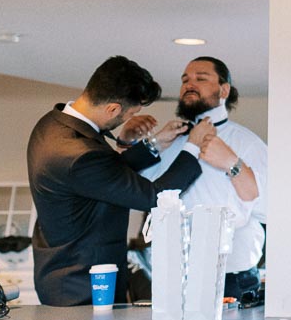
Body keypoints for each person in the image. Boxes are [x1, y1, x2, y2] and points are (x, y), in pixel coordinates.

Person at [26, 55, 236, 306]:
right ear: (113, 108)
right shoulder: (77, 154)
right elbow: (155, 196)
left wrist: (154, 144)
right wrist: (192, 146)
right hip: (80, 283)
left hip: (65, 269)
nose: (126, 120)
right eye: (130, 113)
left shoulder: (53, 123)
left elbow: (103, 174)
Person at [141, 57, 269, 299]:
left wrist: (233, 163)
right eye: (185, 80)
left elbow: (270, 208)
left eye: (201, 78)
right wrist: (132, 143)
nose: (190, 84)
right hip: (173, 281)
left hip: (230, 281)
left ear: (224, 90)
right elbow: (140, 192)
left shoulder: (248, 143)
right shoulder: (170, 141)